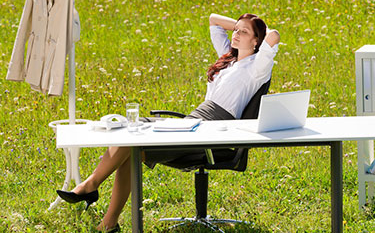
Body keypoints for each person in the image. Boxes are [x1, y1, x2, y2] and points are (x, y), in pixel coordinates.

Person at [56, 13, 280, 232]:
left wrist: (258, 28)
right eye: (236, 30)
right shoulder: (228, 59)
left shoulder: (257, 68)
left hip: (214, 132)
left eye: (244, 32)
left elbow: (274, 35)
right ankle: (104, 214)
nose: (237, 34)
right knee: (130, 132)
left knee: (132, 145)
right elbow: (213, 19)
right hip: (195, 123)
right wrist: (243, 27)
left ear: (257, 39)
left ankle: (95, 196)